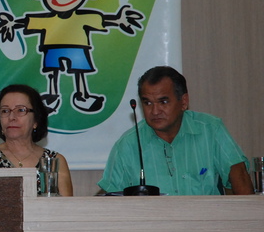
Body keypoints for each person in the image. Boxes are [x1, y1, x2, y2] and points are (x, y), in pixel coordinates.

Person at [98, 66, 253, 195]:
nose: (155, 111)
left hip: (205, 221)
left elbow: (240, 178)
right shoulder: (127, 145)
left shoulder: (211, 130)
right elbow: (110, 197)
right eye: (148, 103)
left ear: (183, 102)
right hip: (152, 223)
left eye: (163, 102)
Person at [0, 84, 73, 196]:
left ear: (36, 120)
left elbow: (66, 205)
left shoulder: (53, 161)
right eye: (5, 111)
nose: (11, 117)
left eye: (21, 110)